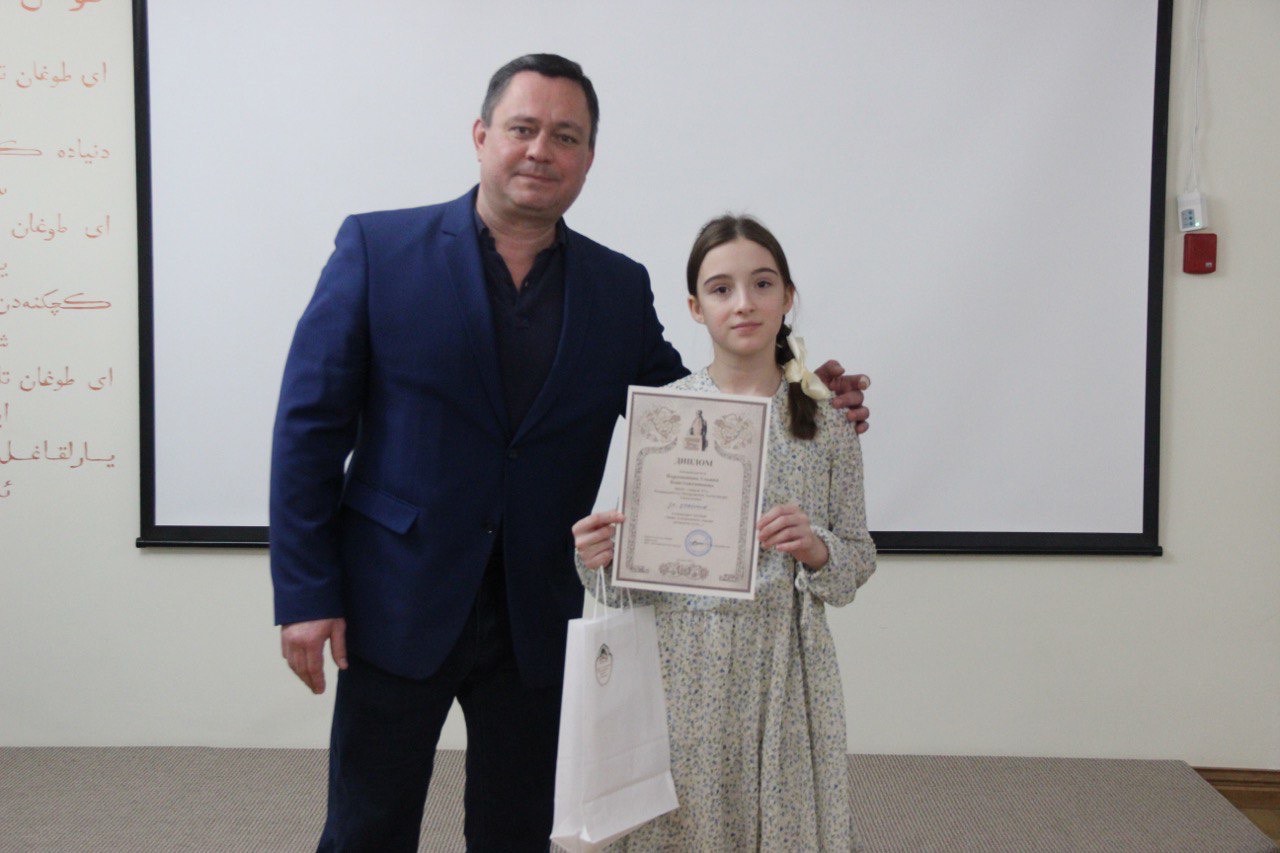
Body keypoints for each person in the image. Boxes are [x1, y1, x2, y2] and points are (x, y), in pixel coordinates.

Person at [270, 55, 871, 852]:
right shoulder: (378, 249)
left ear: (588, 157)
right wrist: (306, 590)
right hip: (396, 596)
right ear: (481, 135)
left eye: (565, 136)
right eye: (522, 128)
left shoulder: (615, 287)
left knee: (520, 830)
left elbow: (692, 403)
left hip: (540, 610)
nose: (540, 150)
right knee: (366, 826)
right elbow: (309, 428)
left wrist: (805, 384)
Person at [573, 214, 876, 851]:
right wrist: (597, 557)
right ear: (695, 307)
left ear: (787, 296)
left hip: (784, 668)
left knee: (777, 820)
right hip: (679, 665)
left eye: (762, 284)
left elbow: (856, 562)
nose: (743, 303)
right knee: (679, 822)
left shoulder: (827, 424)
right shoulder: (665, 415)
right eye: (720, 289)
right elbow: (626, 579)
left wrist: (817, 548)